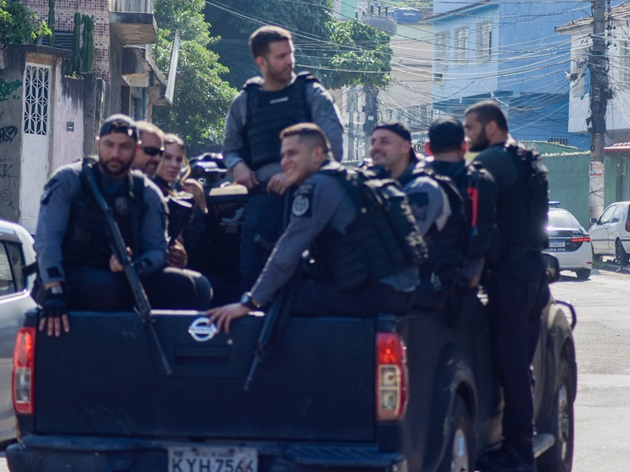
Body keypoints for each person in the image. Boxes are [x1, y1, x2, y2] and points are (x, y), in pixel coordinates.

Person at [208, 123, 418, 333]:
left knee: (284, 297)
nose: (285, 162)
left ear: (317, 154)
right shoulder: (347, 177)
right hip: (400, 291)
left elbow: (288, 251)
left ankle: (276, 364)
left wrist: (249, 302)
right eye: (283, 156)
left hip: (378, 293)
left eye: (292, 154)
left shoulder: (317, 186)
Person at [35, 114, 211, 337]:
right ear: (98, 143)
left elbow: (157, 249)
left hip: (128, 273)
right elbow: (47, 240)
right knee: (110, 289)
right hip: (71, 274)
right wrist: (55, 290)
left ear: (136, 149)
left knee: (195, 286)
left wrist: (136, 265)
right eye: (109, 145)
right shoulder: (69, 181)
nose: (115, 154)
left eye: (124, 147)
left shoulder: (146, 192)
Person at [222, 25, 344, 290]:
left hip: (312, 195)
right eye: (281, 56)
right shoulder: (244, 101)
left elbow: (334, 147)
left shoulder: (312, 94)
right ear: (261, 61)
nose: (290, 61)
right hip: (264, 196)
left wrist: (293, 175)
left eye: (291, 54)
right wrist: (238, 166)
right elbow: (230, 149)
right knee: (252, 273)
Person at [463, 100, 550, 472]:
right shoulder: (529, 159)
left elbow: (461, 188)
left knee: (512, 366)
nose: (467, 139)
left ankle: (518, 450)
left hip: (511, 278)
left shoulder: (495, 160)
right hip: (534, 274)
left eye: (470, 129)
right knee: (519, 366)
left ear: (492, 128)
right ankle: (519, 443)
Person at [369, 120, 466, 311]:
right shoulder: (380, 184)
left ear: (406, 146)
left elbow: (401, 244)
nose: (376, 148)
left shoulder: (422, 187)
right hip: (397, 283)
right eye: (373, 142)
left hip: (423, 288)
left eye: (385, 142)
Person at [424, 117, 497, 288]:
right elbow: (482, 233)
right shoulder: (479, 180)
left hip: (422, 279)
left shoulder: (417, 181)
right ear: (465, 146)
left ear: (428, 148)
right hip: (464, 280)